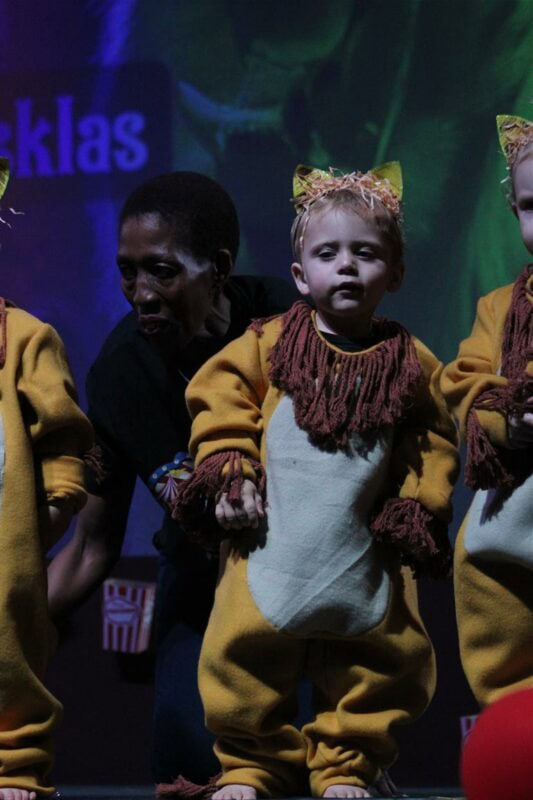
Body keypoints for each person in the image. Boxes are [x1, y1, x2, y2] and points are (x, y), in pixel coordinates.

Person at [173, 162, 459, 799]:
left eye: (366, 253)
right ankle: (250, 766)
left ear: (397, 272)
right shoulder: (269, 344)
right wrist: (231, 470)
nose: (347, 266)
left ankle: (347, 765)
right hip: (271, 547)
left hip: (361, 555)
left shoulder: (413, 364)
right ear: (301, 275)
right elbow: (219, 399)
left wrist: (419, 504)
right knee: (243, 656)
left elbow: (433, 439)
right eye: (328, 254)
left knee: (380, 663)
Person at [46, 171, 298, 787]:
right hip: (200, 583)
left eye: (162, 271)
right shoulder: (120, 375)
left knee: (307, 764)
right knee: (191, 766)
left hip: (305, 575)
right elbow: (91, 546)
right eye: (127, 271)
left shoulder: (288, 324)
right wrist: (13, 619)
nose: (141, 293)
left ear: (219, 268)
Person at [0, 157, 92, 800]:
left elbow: (62, 444)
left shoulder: (26, 337)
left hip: (6, 551)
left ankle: (14, 764)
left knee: (8, 656)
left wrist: (47, 516)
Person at [441, 114, 533, 708]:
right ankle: (512, 716)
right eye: (531, 205)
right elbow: (465, 381)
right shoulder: (499, 307)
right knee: (493, 590)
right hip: (517, 502)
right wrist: (510, 416)